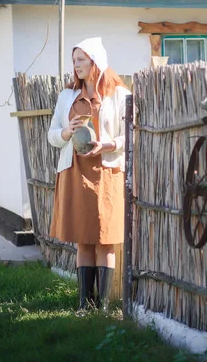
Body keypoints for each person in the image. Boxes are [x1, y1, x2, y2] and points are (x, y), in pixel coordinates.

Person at [47, 37, 129, 312]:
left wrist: (107, 145)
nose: (76, 65)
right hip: (75, 171)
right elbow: (52, 136)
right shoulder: (66, 96)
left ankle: (103, 307)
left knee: (105, 240)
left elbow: (130, 134)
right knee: (83, 238)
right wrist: (66, 133)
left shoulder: (119, 95)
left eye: (80, 59)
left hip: (107, 173)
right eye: (74, 60)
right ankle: (85, 304)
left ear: (95, 62)